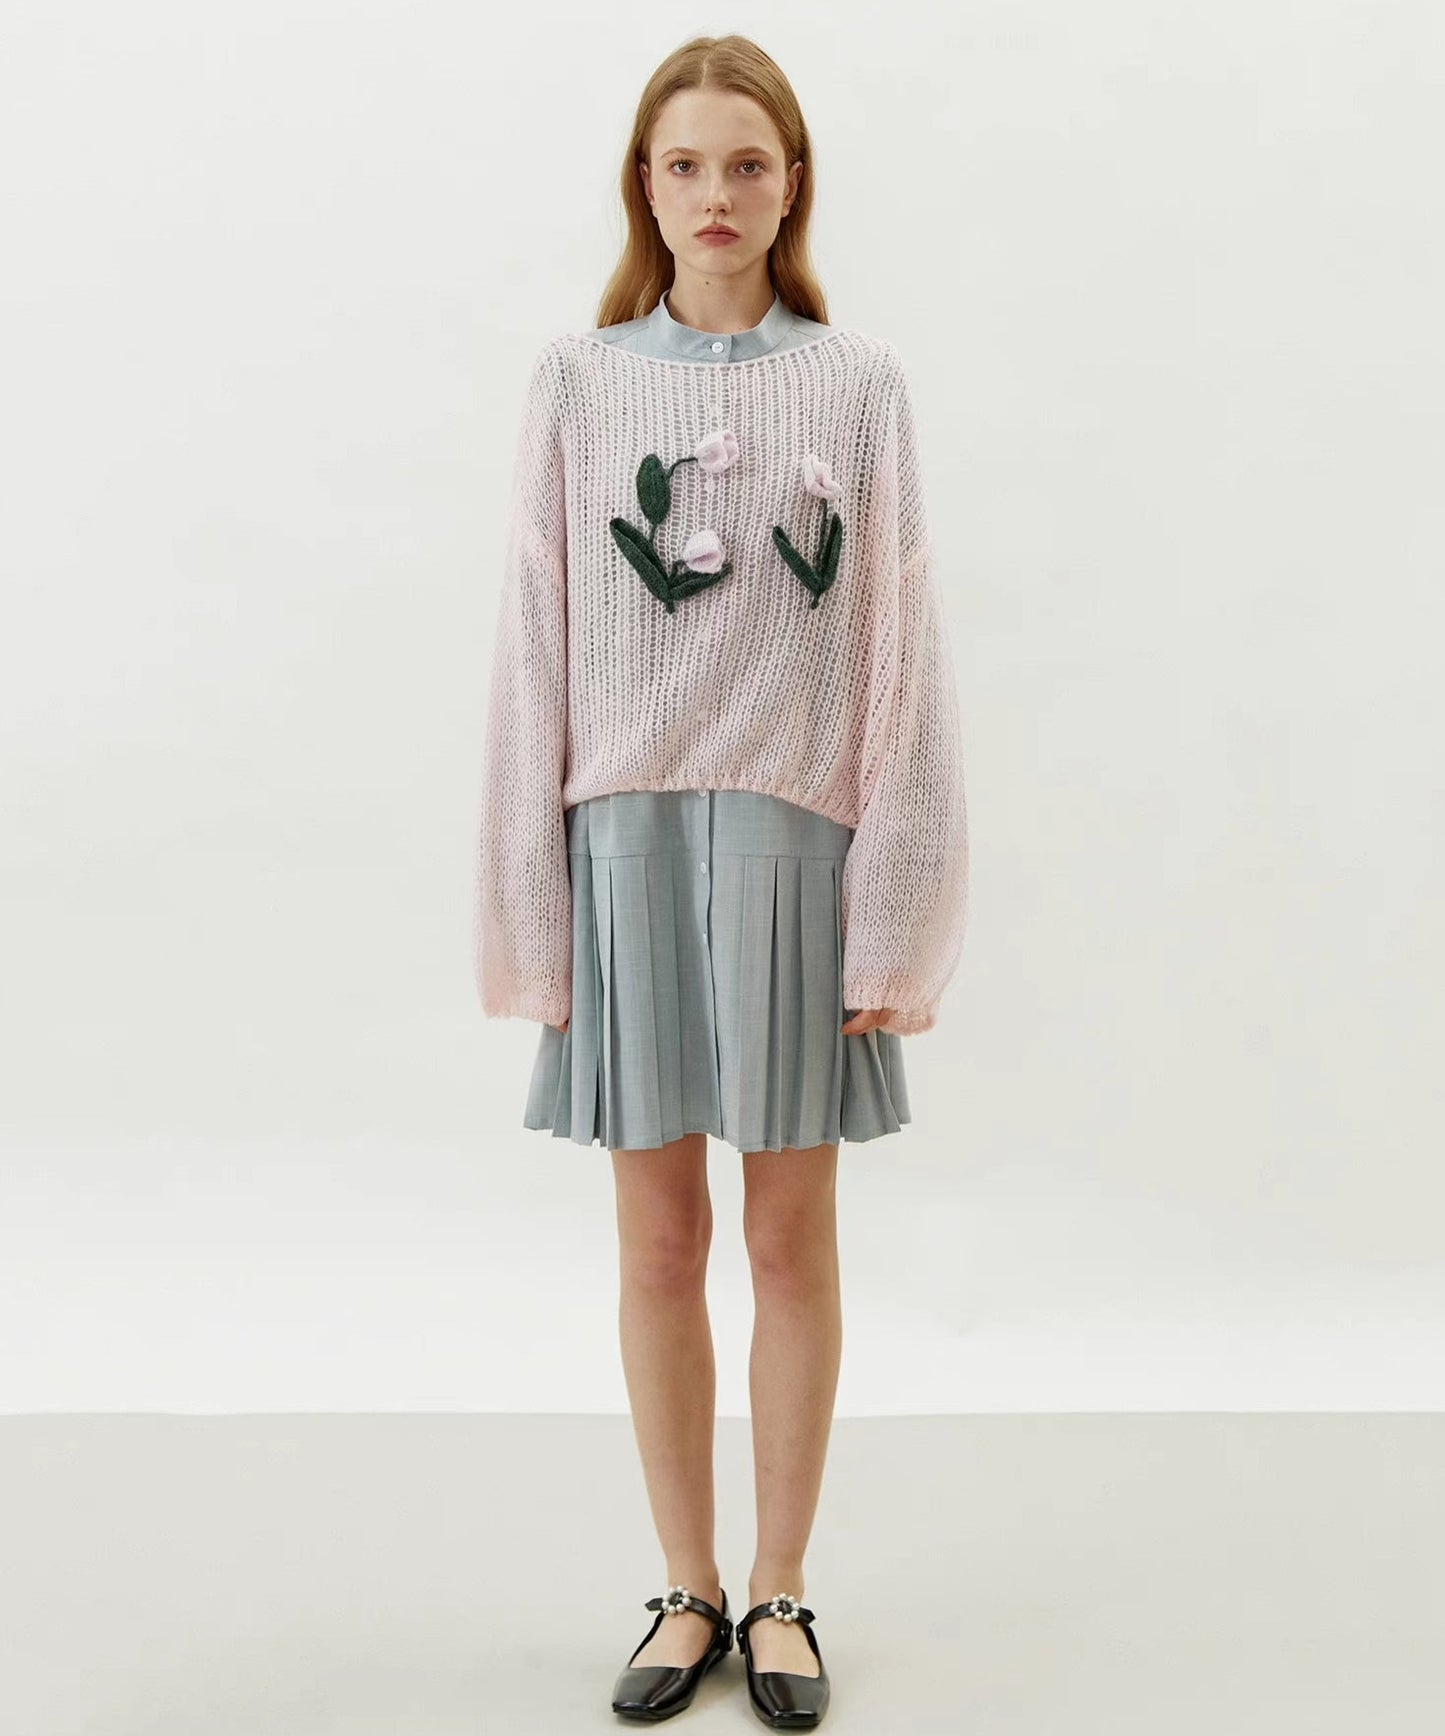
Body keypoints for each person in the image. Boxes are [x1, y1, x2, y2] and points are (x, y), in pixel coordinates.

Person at [471, 33, 969, 1729]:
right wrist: (532, 910)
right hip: (620, 845)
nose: (714, 196)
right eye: (683, 165)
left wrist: (896, 904)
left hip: (793, 847)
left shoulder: (858, 384)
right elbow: (534, 640)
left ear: (791, 184)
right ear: (645, 184)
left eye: (745, 164)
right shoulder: (576, 380)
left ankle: (780, 1589)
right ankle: (684, 1587)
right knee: (658, 1241)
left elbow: (899, 649)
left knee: (787, 1236)